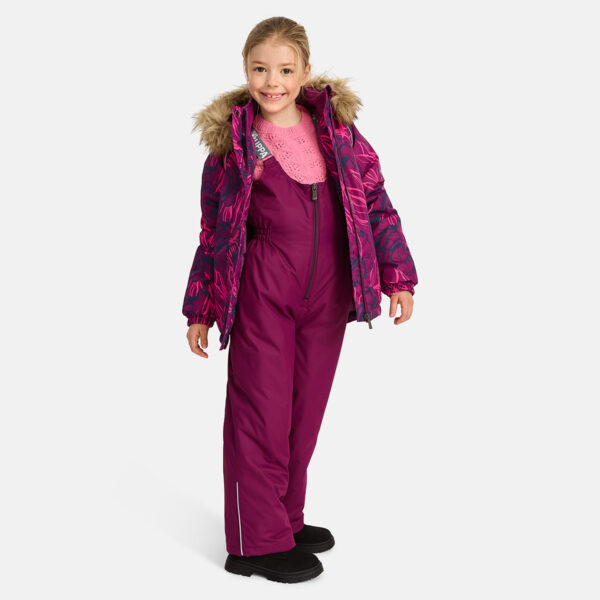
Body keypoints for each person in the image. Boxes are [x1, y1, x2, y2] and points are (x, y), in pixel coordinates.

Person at [182, 16, 418, 583]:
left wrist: (398, 276)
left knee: (303, 414)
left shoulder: (338, 132)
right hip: (264, 289)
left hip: (329, 293)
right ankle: (254, 543)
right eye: (260, 69)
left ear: (305, 71)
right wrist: (201, 308)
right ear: (246, 71)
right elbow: (214, 231)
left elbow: (374, 202)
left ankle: (284, 521)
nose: (273, 82)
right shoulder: (236, 144)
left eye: (285, 70)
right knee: (261, 413)